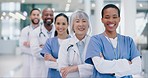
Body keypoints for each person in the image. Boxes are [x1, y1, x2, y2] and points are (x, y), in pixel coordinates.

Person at [85, 4, 142, 78]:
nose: (111, 20)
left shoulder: (128, 41)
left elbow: (137, 68)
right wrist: (125, 63)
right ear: (102, 20)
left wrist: (113, 70)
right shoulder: (95, 40)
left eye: (114, 17)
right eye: (107, 17)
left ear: (119, 19)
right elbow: (100, 67)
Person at [58, 10, 93, 78]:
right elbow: (63, 71)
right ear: (72, 25)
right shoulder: (65, 44)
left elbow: (97, 68)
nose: (81, 24)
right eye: (77, 21)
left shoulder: (94, 42)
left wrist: (75, 68)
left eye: (84, 21)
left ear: (88, 25)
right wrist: (85, 69)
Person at [40, 13, 70, 78]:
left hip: (69, 76)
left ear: (68, 25)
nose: (60, 27)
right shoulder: (50, 42)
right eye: (58, 23)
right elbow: (48, 63)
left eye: (63, 24)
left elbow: (74, 63)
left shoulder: (73, 41)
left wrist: (54, 59)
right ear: (55, 24)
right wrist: (67, 66)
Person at [30, 8, 55, 77]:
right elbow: (35, 51)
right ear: (42, 17)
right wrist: (54, 50)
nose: (49, 17)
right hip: (40, 68)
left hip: (55, 68)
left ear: (53, 17)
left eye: (51, 15)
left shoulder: (58, 32)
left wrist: (44, 47)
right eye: (46, 15)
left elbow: (62, 50)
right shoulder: (35, 32)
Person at [19, 8, 41, 77]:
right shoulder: (25, 30)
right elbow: (22, 47)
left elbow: (45, 46)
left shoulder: (43, 31)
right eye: (34, 15)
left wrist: (30, 44)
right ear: (30, 16)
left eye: (37, 15)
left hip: (39, 60)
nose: (36, 17)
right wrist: (37, 47)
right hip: (27, 59)